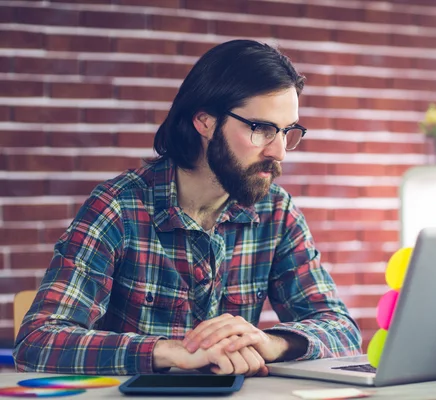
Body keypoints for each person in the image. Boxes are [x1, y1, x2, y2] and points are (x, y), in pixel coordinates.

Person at [13, 39, 362, 376]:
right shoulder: (119, 206)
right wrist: (174, 352)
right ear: (205, 121)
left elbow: (343, 331)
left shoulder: (276, 212)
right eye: (261, 129)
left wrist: (272, 343)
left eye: (287, 132)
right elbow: (38, 341)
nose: (279, 151)